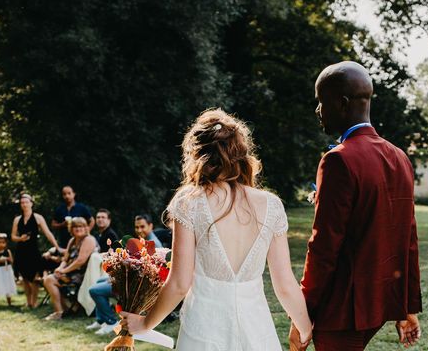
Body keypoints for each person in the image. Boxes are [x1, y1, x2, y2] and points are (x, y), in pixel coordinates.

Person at [120, 109, 313, 350]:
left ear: (197, 155)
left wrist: (145, 324)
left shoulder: (189, 202)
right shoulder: (270, 205)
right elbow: (285, 285)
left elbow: (180, 283)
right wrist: (305, 329)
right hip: (256, 330)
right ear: (241, 154)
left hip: (203, 329)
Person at [289, 61, 423, 351]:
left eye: (321, 103)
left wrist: (303, 311)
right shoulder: (400, 157)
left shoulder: (338, 159)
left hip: (343, 311)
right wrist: (406, 307)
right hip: (377, 306)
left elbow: (323, 246)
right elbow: (408, 239)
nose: (318, 111)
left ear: (342, 103)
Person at [86, 213, 164, 335]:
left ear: (151, 226)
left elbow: (145, 275)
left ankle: (111, 322)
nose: (139, 230)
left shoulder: (154, 244)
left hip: (135, 287)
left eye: (142, 227)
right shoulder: (141, 240)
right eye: (137, 227)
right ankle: (101, 320)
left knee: (94, 290)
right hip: (129, 281)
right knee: (99, 281)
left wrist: (118, 279)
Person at [11, 193, 61, 309]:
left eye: (26, 202)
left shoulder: (38, 218)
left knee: (34, 277)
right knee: (24, 278)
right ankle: (28, 302)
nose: (24, 204)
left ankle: (34, 302)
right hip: (20, 251)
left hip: (33, 250)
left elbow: (48, 233)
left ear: (31, 204)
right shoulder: (17, 219)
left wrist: (57, 247)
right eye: (22, 203)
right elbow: (13, 236)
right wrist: (20, 238)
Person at [42, 217, 98, 320]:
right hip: (70, 272)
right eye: (75, 226)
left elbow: (81, 261)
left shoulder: (89, 240)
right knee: (48, 279)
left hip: (84, 275)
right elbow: (65, 259)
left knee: (50, 280)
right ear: (71, 229)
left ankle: (60, 312)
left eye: (80, 226)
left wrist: (64, 271)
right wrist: (59, 268)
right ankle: (65, 309)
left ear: (86, 228)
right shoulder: (72, 240)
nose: (78, 229)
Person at [0, 233, 17, 307]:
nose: (1, 244)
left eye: (3, 242)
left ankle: (9, 302)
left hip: (7, 270)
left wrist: (7, 258)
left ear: (5, 243)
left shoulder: (7, 251)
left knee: (8, 284)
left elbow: (12, 261)